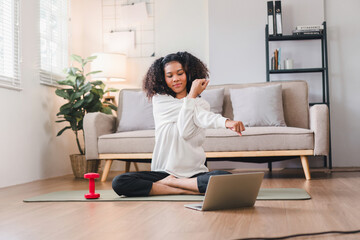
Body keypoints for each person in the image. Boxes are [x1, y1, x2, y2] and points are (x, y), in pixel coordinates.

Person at [112, 51, 245, 197]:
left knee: (224, 178)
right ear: (163, 78)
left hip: (195, 173)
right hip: (164, 173)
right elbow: (194, 116)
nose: (175, 79)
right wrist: (193, 95)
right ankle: (182, 188)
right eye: (169, 76)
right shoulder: (160, 101)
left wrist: (225, 122)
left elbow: (186, 130)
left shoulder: (201, 105)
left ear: (189, 74)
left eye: (180, 73)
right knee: (120, 182)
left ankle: (172, 185)